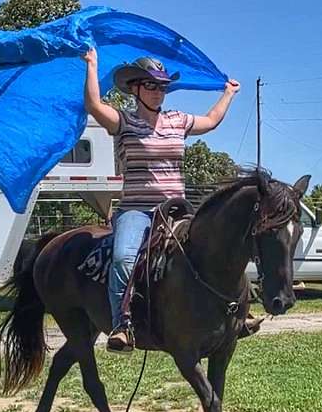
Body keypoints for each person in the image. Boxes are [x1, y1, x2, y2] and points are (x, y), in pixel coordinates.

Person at [82, 47, 248, 353]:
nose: (158, 93)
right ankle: (122, 325)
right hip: (138, 210)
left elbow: (211, 121)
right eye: (151, 86)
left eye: (162, 87)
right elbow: (93, 104)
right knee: (123, 258)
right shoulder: (124, 122)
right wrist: (92, 65)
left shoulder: (178, 120)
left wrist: (228, 93)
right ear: (135, 88)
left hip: (178, 209)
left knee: (221, 246)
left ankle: (238, 312)